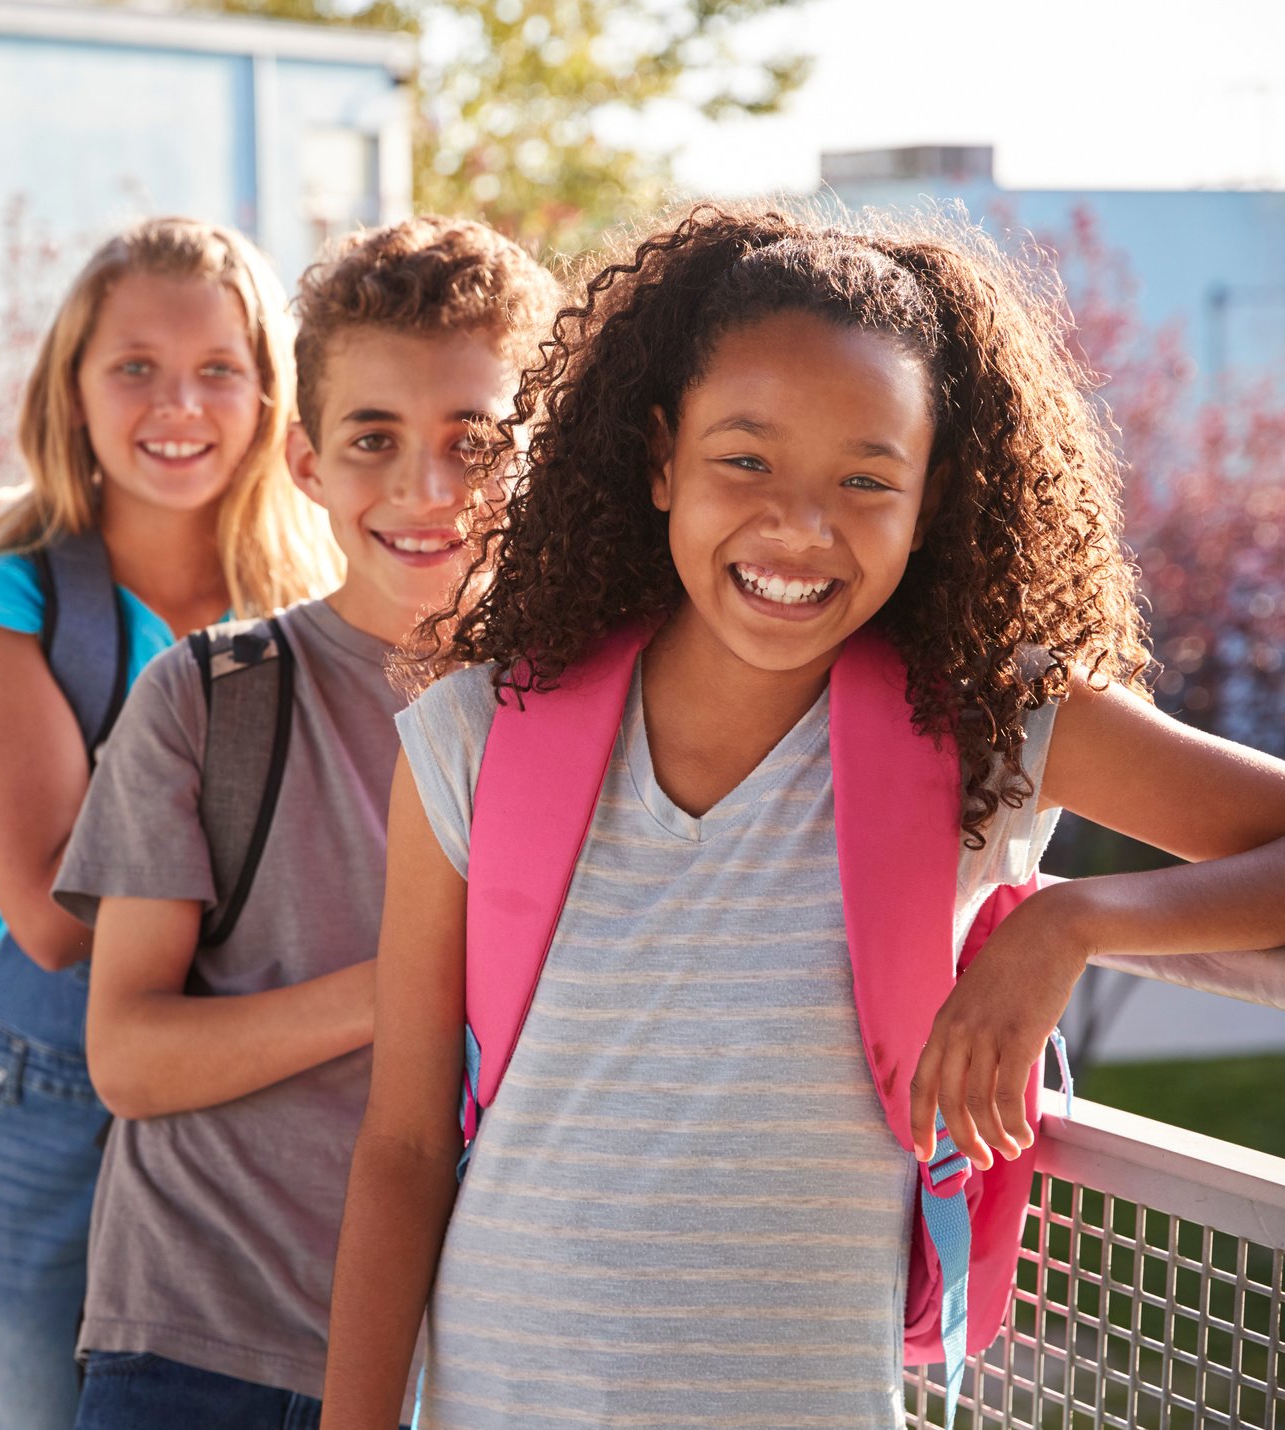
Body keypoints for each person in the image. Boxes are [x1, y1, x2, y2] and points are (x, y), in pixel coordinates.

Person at [321, 204, 1285, 1429]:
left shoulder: (988, 718)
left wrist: (1070, 923)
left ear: (931, 499)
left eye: (865, 479)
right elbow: (404, 1149)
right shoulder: (473, 733)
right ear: (660, 456)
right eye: (744, 459)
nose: (796, 525)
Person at [56, 217, 558, 1428]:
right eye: (372, 438)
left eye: (472, 442)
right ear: (303, 459)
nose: (422, 488)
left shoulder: (584, 717)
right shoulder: (209, 694)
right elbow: (125, 1054)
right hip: (192, 1338)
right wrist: (408, 987)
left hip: (475, 1356)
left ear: (537, 458)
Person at [0, 216, 339, 1430]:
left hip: (268, 1079)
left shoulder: (317, 597)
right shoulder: (3, 604)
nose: (178, 402)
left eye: (217, 368)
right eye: (134, 367)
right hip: (48, 1091)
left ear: (271, 393)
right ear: (73, 389)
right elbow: (50, 915)